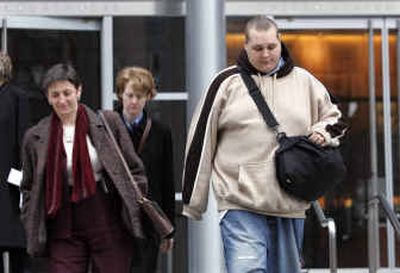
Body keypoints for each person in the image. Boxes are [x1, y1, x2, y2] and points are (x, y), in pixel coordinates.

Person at [182, 15, 347, 273]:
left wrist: (322, 132)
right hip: (240, 202)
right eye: (258, 48)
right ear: (245, 46)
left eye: (272, 46)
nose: (266, 54)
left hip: (290, 202)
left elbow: (335, 117)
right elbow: (201, 140)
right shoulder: (225, 84)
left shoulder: (305, 81)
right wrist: (194, 201)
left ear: (280, 42)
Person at [20, 63, 148, 273]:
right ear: (48, 97)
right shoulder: (35, 137)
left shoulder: (108, 123)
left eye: (67, 93)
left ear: (79, 91)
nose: (62, 100)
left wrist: (133, 204)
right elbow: (28, 186)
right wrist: (30, 218)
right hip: (62, 221)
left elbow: (135, 170)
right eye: (55, 94)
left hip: (106, 218)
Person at [115, 66, 175, 273]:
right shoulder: (105, 127)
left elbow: (167, 180)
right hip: (113, 215)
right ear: (120, 94)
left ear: (148, 97)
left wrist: (168, 229)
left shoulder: (160, 132)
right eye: (130, 95)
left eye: (139, 96)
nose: (133, 102)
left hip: (147, 218)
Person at [0, 52, 29, 273]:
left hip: (11, 184)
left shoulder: (17, 96)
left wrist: (22, 180)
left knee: (19, 249)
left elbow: (24, 140)